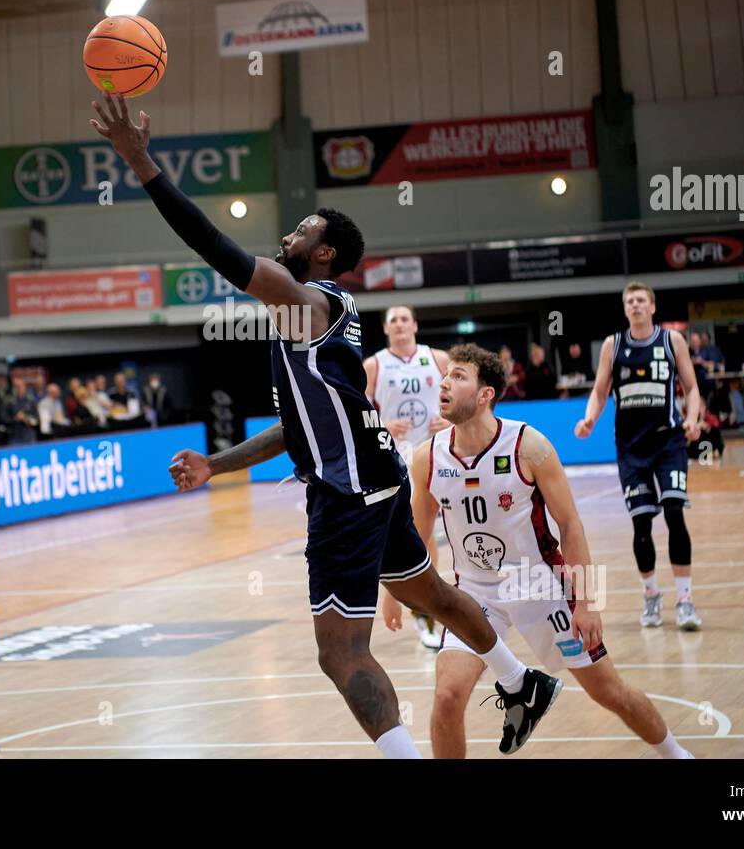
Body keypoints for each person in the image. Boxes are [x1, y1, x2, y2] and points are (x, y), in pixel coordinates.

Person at [92, 91, 561, 758]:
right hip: (377, 477)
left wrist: (143, 165)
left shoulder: (310, 303)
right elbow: (296, 430)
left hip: (347, 492)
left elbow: (216, 249)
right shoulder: (301, 326)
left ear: (325, 252)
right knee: (428, 590)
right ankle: (523, 682)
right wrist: (215, 465)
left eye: (301, 231)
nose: (287, 236)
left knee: (340, 652)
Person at [409, 345, 693, 759]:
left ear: (486, 394)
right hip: (475, 594)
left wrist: (588, 602)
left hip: (542, 585)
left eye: (458, 376)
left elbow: (571, 524)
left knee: (609, 692)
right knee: (447, 698)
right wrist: (404, 597)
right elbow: (419, 532)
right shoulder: (428, 457)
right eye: (445, 376)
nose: (445, 383)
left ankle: (676, 754)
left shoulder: (529, 445)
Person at [575, 283, 704, 630]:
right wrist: (589, 418)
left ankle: (685, 600)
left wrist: (692, 419)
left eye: (641, 300)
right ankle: (650, 596)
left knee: (675, 514)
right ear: (625, 308)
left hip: (669, 443)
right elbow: (600, 391)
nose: (635, 305)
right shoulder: (612, 345)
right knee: (641, 523)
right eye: (629, 301)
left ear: (652, 306)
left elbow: (691, 388)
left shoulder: (672, 341)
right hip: (631, 449)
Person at [364, 305, 450, 651]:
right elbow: (353, 415)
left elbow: (464, 398)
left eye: (404, 319)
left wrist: (450, 420)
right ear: (386, 329)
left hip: (438, 453)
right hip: (395, 459)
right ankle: (427, 613)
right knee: (415, 533)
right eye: (393, 320)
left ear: (415, 324)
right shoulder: (373, 365)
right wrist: (380, 426)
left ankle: (462, 603)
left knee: (444, 533)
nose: (399, 324)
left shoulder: (439, 358)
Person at [2, 376, 39, 445]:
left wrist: (27, 419)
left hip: (29, 435)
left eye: (20, 386)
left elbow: (36, 419)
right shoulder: (8, 401)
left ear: (25, 387)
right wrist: (15, 419)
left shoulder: (31, 400)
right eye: (16, 386)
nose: (18, 388)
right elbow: (4, 419)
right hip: (14, 435)